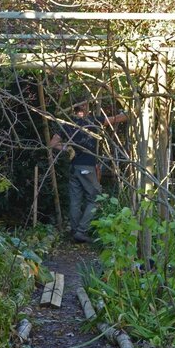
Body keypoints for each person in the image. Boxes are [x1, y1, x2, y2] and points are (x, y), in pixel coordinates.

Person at [50, 99, 127, 243]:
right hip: (86, 167)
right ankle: (81, 230)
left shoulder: (67, 124)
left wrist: (68, 148)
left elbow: (53, 143)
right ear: (85, 109)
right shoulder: (93, 121)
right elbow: (117, 119)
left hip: (73, 168)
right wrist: (128, 112)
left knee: (75, 200)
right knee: (96, 198)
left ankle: (74, 230)